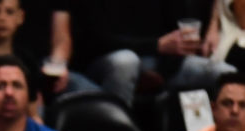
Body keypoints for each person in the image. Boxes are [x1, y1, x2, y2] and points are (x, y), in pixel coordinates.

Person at [70, 1, 234, 108]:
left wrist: (162, 72)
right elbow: (96, 41)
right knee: (126, 62)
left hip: (161, 62)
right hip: (105, 61)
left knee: (225, 74)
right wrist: (156, 46)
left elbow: (177, 31)